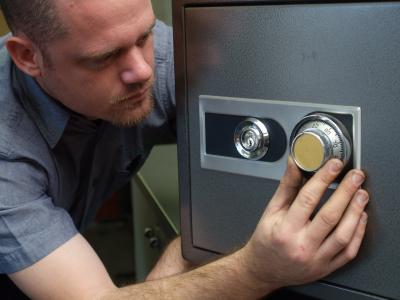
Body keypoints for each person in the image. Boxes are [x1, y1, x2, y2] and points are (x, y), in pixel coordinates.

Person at [0, 0, 369, 299]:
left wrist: (190, 244)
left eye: (145, 35)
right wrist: (254, 271)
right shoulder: (6, 153)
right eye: (104, 57)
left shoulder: (153, 56)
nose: (143, 70)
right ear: (29, 57)